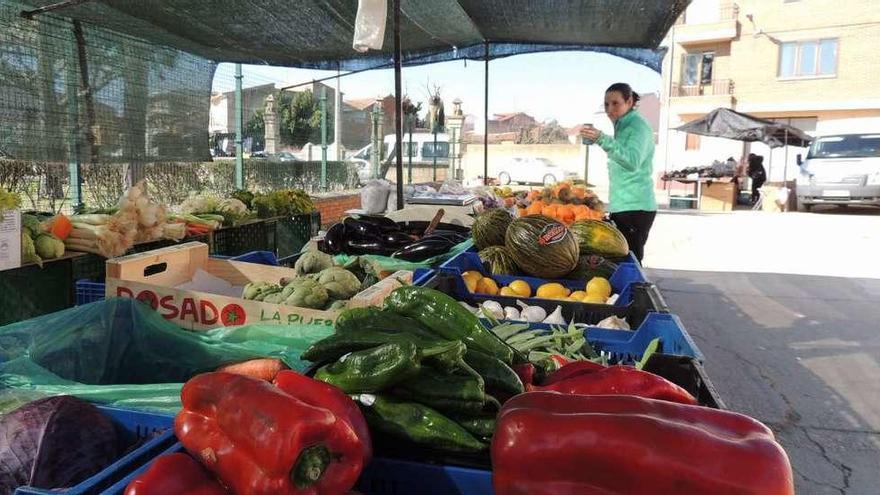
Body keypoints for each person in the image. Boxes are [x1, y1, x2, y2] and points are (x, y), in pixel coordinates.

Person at [581, 82, 656, 262]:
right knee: (621, 260)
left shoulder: (637, 127)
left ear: (629, 102)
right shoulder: (623, 125)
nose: (609, 109)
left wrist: (601, 139)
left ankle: (635, 290)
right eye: (606, 104)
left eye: (615, 103)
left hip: (635, 207)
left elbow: (632, 161)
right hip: (623, 206)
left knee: (629, 262)